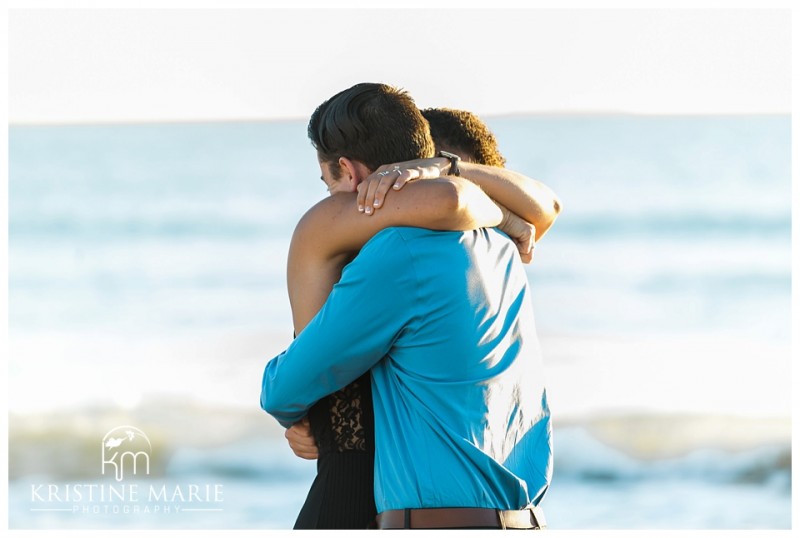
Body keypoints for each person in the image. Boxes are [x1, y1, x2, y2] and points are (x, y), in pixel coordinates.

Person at [262, 82, 556, 529]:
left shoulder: (399, 250)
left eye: (328, 184)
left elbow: (289, 386)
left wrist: (292, 404)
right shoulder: (503, 247)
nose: (330, 200)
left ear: (347, 169)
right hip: (525, 519)